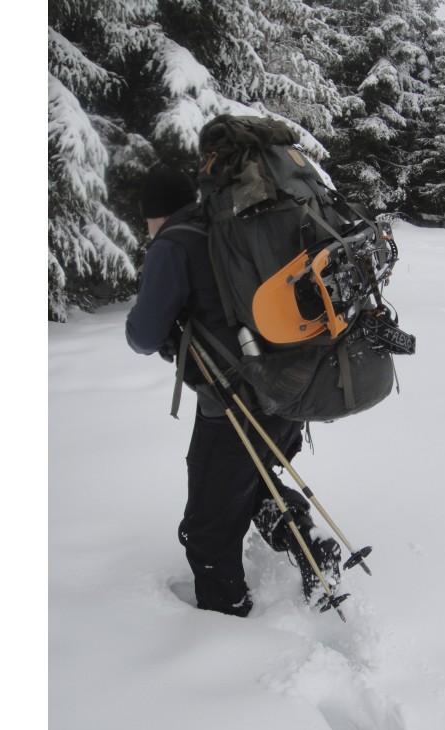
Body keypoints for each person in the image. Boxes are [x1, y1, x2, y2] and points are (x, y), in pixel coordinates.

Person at [126, 165, 340, 616]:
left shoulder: (173, 242)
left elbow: (142, 335)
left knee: (207, 527)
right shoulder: (227, 226)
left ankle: (224, 622)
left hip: (233, 404)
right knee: (252, 476)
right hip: (288, 386)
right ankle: (312, 545)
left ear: (154, 213)